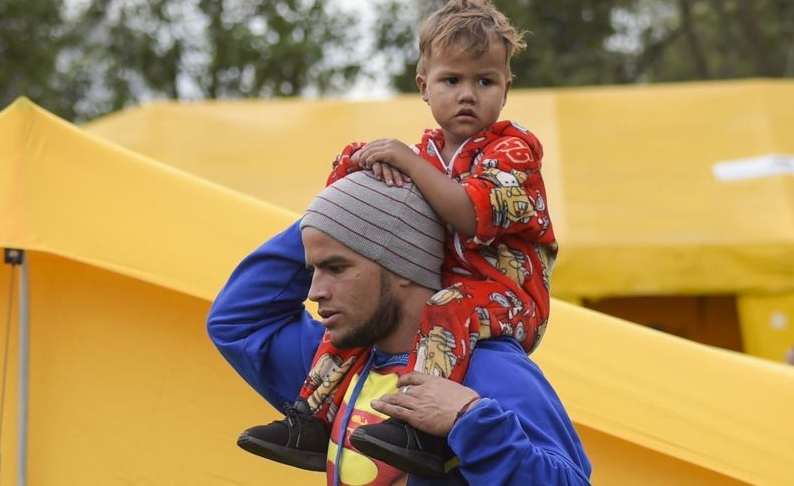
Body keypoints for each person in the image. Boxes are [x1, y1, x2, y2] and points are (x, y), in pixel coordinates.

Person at [235, 0, 558, 477]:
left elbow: (470, 214)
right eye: (452, 80)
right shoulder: (426, 151)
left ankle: (420, 429)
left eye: (485, 81)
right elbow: (236, 318)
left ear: (506, 89)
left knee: (445, 304)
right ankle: (310, 417)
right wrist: (358, 176)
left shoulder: (514, 152)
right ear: (423, 87)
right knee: (352, 315)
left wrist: (472, 423)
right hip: (447, 294)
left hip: (504, 297)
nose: (468, 94)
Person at [208, 171, 591, 485]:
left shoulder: (491, 368)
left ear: (403, 266)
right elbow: (239, 320)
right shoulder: (334, 370)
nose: (314, 292)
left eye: (337, 268)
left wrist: (470, 422)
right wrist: (342, 197)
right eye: (313, 269)